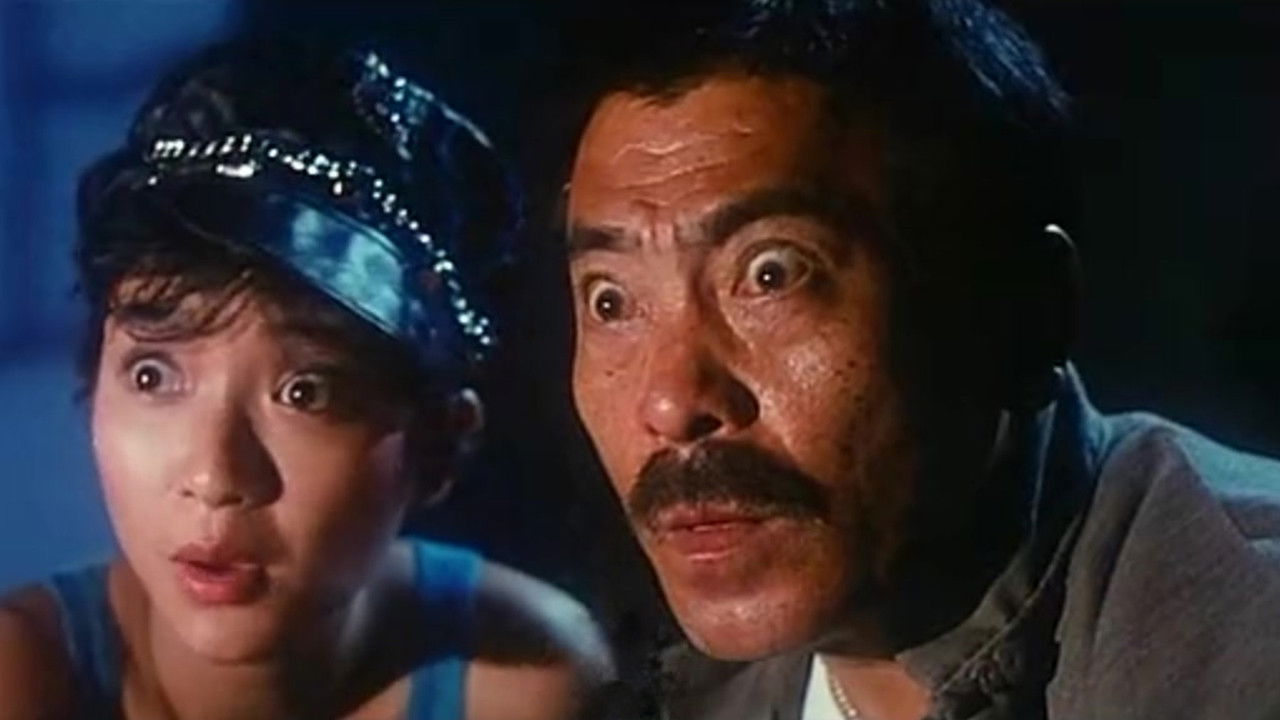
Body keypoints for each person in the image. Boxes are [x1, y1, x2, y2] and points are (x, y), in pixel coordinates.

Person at [557, 1, 1280, 718]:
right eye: (611, 302)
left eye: (772, 274)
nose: (672, 403)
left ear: (1028, 311)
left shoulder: (1243, 640)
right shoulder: (669, 690)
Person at [0, 41, 611, 720]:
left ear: (439, 445)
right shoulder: (21, 673)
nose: (215, 476)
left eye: (305, 393)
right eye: (153, 376)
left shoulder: (529, 685)